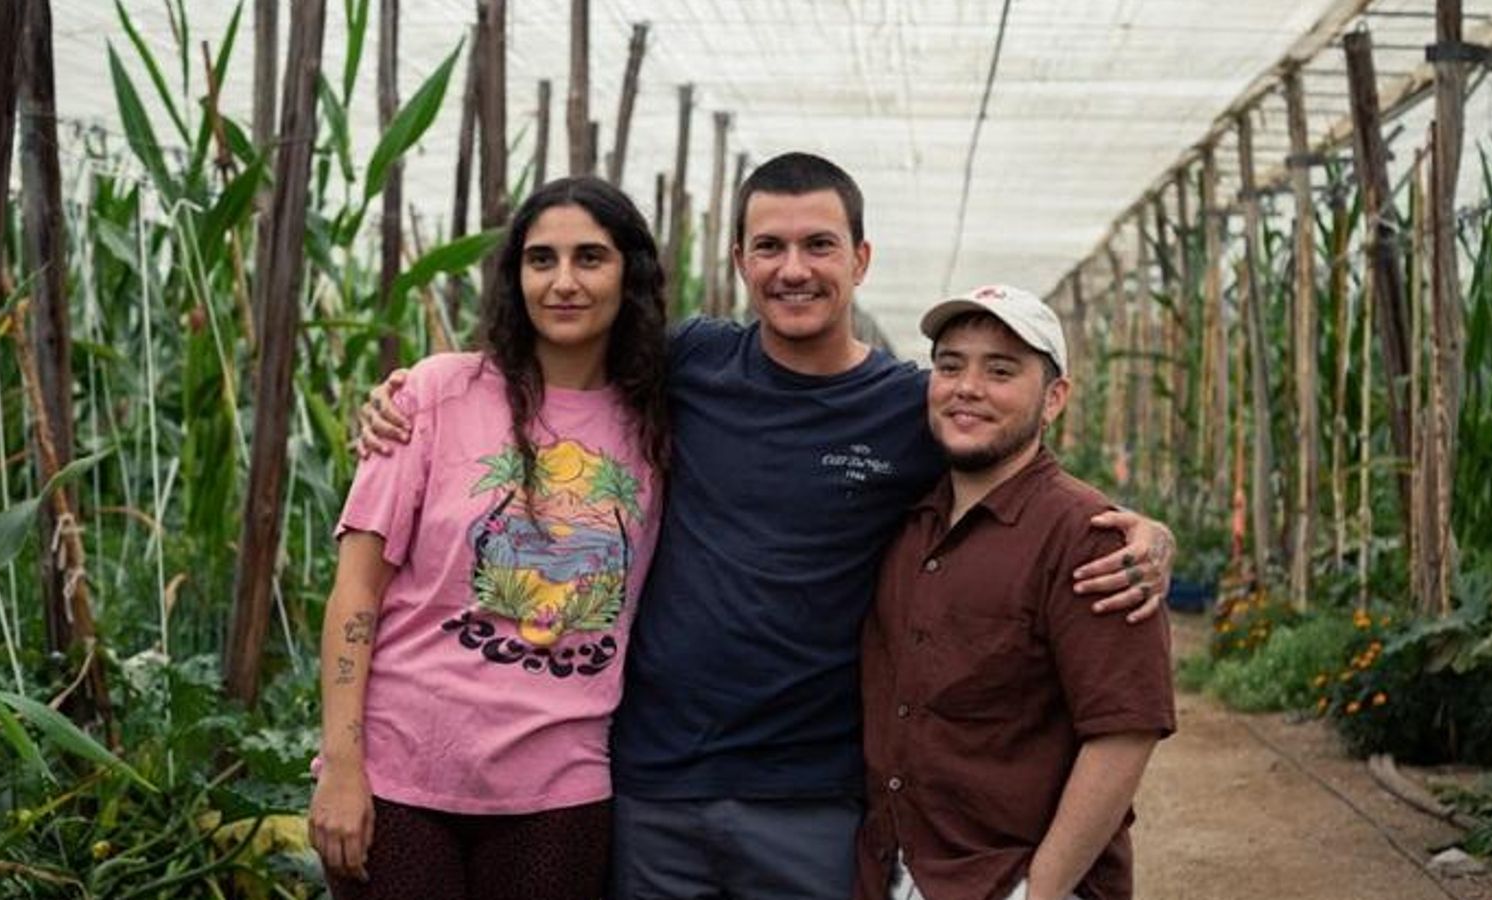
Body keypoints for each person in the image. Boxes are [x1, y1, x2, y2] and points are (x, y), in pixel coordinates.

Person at [356, 153, 1175, 900]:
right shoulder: (684, 365)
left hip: (810, 797)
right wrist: (412, 395)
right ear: (740, 262)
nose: (793, 270)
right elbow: (542, 378)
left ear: (860, 260)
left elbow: (1005, 455)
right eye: (769, 247)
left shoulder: (906, 407)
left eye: (819, 245)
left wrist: (1140, 531)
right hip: (654, 782)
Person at [308, 175, 670, 899]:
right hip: (404, 775)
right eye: (541, 260)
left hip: (560, 788)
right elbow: (355, 591)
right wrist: (343, 767)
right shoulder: (435, 395)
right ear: (515, 276)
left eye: (590, 258)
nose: (563, 282)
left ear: (629, 273)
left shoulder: (661, 417)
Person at [858, 286, 1175, 900]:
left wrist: (1041, 888)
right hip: (896, 869)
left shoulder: (1090, 541)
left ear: (1054, 398)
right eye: (950, 365)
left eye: (1000, 370)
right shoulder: (906, 519)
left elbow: (1124, 731)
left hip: (1009, 879)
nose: (967, 386)